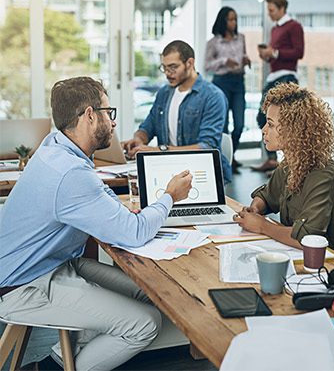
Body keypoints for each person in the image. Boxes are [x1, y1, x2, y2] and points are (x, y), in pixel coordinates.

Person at [0, 77, 192, 371]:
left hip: (51, 264)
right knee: (145, 323)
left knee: (150, 292)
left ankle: (54, 360)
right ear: (90, 115)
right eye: (108, 112)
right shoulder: (70, 173)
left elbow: (102, 200)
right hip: (23, 285)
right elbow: (134, 233)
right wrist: (170, 197)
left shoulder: (54, 146)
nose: (113, 122)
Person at [234, 83, 334, 258]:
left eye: (270, 124)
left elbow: (306, 238)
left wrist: (262, 226)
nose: (264, 130)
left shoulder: (323, 176)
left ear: (293, 130)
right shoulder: (290, 163)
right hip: (298, 258)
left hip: (332, 265)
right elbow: (268, 196)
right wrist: (256, 208)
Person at [123, 40, 233, 183]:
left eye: (173, 67)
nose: (168, 73)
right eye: (164, 68)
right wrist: (138, 140)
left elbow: (207, 147)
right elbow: (147, 127)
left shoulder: (213, 96)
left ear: (190, 63)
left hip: (202, 173)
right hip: (167, 170)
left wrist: (158, 150)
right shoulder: (164, 93)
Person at [254, 0, 304, 172]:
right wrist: (267, 55)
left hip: (286, 77)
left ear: (282, 8)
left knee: (283, 120)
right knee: (263, 117)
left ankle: (291, 161)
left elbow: (299, 52)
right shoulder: (275, 29)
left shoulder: (294, 26)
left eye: (272, 10)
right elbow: (277, 53)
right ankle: (273, 160)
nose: (269, 14)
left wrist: (274, 53)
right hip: (273, 77)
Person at [206, 6, 250, 171]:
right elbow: (207, 65)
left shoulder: (241, 38)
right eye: (231, 19)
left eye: (235, 19)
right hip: (221, 82)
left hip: (238, 81)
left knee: (239, 124)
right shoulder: (213, 42)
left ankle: (231, 155)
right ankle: (225, 161)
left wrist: (245, 60)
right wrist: (224, 61)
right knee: (223, 126)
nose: (234, 23)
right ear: (223, 21)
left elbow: (243, 55)